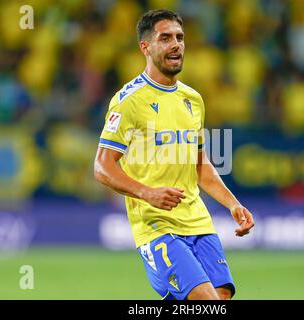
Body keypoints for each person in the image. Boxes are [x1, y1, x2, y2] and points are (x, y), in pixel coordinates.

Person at [94, 9, 254, 300]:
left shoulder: (192, 99)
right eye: (165, 38)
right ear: (146, 47)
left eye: (179, 37)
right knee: (207, 302)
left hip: (198, 221)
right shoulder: (128, 101)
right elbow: (102, 166)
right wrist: (147, 193)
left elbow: (199, 164)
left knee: (221, 298)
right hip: (157, 225)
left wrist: (233, 204)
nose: (176, 44)